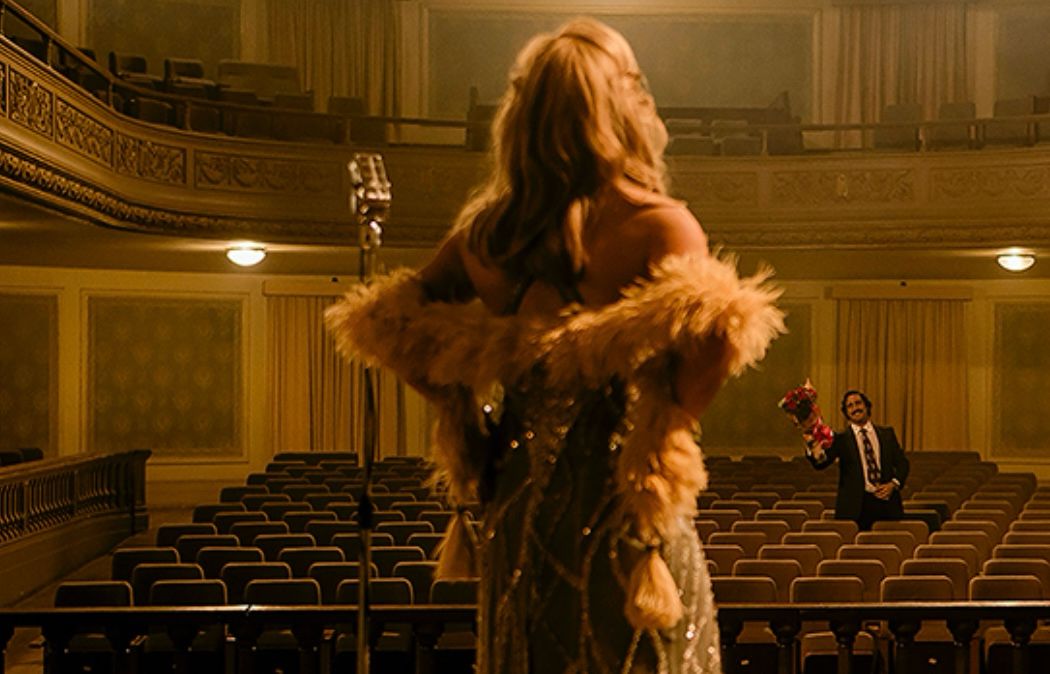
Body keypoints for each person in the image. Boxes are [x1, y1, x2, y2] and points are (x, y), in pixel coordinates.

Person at [326, 18, 783, 674]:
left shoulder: (486, 236)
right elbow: (715, 336)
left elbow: (390, 324)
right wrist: (664, 420)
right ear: (619, 105)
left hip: (515, 494)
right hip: (624, 504)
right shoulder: (658, 224)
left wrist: (465, 408)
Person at [805, 390, 910, 531]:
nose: (855, 408)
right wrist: (812, 446)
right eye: (850, 406)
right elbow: (821, 463)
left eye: (858, 403)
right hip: (855, 509)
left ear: (867, 406)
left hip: (887, 504)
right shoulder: (840, 438)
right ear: (846, 413)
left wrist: (893, 484)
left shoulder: (887, 434)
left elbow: (903, 463)